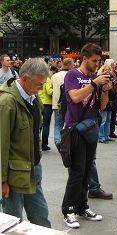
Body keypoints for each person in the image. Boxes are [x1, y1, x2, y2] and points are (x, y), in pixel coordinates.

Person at [61, 43, 112, 228]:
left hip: (91, 128)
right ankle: (68, 210)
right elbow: (74, 97)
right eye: (94, 60)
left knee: (87, 170)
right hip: (75, 129)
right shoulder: (72, 75)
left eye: (99, 61)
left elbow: (102, 106)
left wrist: (105, 89)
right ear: (84, 58)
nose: (97, 64)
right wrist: (93, 84)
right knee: (76, 172)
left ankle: (82, 207)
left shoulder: (94, 77)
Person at [0, 58, 51, 227]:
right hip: (13, 175)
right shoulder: (7, 102)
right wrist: (3, 181)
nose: (41, 88)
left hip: (33, 168)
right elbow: (2, 144)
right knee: (13, 221)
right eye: (38, 84)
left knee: (41, 215)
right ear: (25, 79)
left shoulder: (34, 99)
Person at [50, 58, 74, 150]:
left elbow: (51, 88)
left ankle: (58, 141)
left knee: (58, 124)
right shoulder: (71, 75)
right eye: (72, 64)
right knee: (68, 124)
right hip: (69, 103)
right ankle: (67, 142)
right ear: (69, 65)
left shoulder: (54, 76)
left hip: (56, 103)